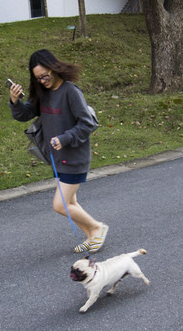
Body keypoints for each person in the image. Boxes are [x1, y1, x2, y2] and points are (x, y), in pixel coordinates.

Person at [9, 49, 108, 253]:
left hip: (74, 158)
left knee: (60, 205)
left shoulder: (70, 91)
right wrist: (14, 101)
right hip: (56, 158)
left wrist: (65, 138)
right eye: (38, 78)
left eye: (45, 75)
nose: (43, 80)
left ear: (54, 69)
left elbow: (87, 123)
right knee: (71, 202)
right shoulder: (42, 93)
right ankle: (92, 237)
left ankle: (97, 228)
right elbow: (24, 114)